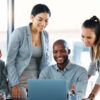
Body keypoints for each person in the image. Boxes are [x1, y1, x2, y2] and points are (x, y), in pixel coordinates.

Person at [6, 3, 51, 99]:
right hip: (18, 81)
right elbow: (10, 62)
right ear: (32, 17)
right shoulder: (19, 33)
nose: (43, 23)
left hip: (36, 82)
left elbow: (46, 61)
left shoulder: (45, 35)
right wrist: (14, 84)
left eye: (46, 20)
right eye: (40, 19)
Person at [81, 16, 100, 100]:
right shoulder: (93, 47)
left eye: (89, 37)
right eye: (83, 36)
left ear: (97, 36)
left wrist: (91, 97)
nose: (85, 40)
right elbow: (92, 67)